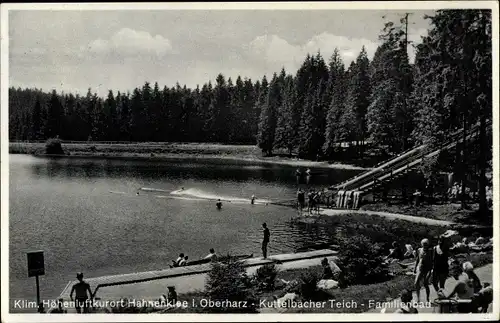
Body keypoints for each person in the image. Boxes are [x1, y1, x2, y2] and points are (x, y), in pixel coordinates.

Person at [414, 238, 433, 302]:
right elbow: (417, 259)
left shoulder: (431, 251)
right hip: (420, 268)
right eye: (423, 244)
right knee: (416, 283)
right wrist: (415, 267)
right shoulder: (419, 250)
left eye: (426, 244)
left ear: (428, 245)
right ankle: (418, 298)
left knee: (425, 284)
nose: (425, 245)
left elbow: (433, 261)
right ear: (422, 244)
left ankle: (427, 298)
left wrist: (431, 269)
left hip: (427, 269)